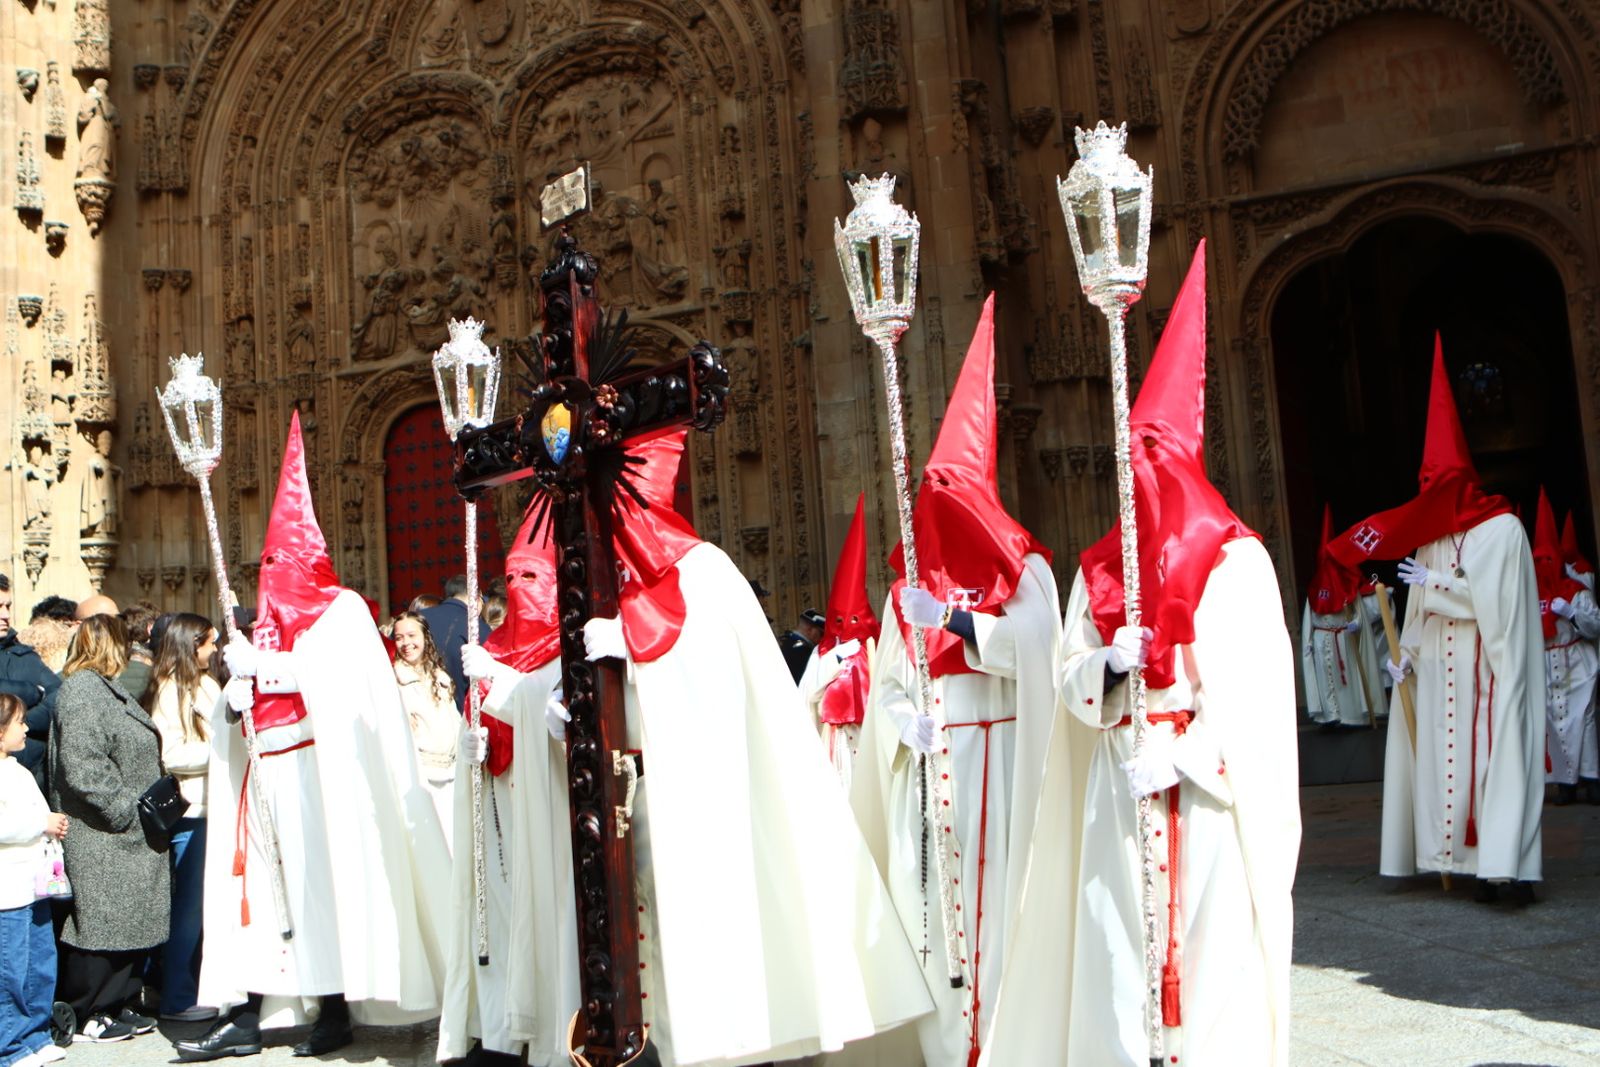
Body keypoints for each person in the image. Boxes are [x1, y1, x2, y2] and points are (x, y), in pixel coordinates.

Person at [980, 241, 1300, 1067]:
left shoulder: (1237, 562)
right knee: (1118, 954)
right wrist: (1110, 668)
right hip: (1118, 785)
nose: (1143, 473)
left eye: (1157, 453)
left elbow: (1257, 704)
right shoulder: (1101, 569)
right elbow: (1069, 676)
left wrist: (1186, 754)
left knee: (1208, 955)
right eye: (1133, 456)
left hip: (1201, 789)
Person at [576, 430, 930, 1065]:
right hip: (637, 795)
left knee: (718, 945)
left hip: (710, 794)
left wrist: (636, 648)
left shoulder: (703, 570)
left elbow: (715, 674)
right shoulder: (602, 578)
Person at [177, 413, 450, 1062]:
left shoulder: (342, 610)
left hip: (323, 776)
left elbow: (341, 680)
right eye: (267, 564)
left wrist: (268, 667)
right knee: (260, 896)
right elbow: (251, 700)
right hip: (266, 774)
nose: (273, 574)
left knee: (325, 894)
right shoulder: (264, 624)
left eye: (283, 562)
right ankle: (252, 1013)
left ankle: (333, 1008)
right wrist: (234, 699)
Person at [854, 295, 1060, 1067]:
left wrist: (957, 620)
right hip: (934, 769)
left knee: (1001, 905)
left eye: (952, 486)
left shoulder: (1025, 571)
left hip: (1000, 763)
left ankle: (1003, 1040)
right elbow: (888, 681)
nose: (940, 501)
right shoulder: (907, 585)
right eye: (930, 487)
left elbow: (1037, 648)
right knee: (937, 919)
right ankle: (948, 1045)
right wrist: (901, 720)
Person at [1328, 335, 1544, 903]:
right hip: (1442, 680)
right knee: (1445, 773)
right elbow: (1418, 614)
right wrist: (1406, 659)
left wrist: (1440, 585)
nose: (1428, 492)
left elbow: (1500, 611)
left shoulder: (1502, 531)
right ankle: (1461, 864)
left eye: (1436, 482)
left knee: (1491, 767)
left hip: (1489, 679)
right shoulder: (1429, 542)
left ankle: (1505, 869)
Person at [441, 510, 574, 1066]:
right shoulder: (493, 644)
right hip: (496, 806)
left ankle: (548, 1034)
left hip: (546, 812)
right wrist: (469, 746)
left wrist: (497, 681)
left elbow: (557, 716)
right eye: (513, 576)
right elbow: (475, 717)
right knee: (495, 916)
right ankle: (498, 1031)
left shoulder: (569, 646)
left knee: (541, 918)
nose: (521, 587)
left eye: (533, 576)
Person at [49, 614, 169, 1044]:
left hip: (123, 835)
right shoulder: (83, 690)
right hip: (101, 833)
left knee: (125, 922)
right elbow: (83, 766)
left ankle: (116, 1004)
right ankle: (89, 1012)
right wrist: (124, 811)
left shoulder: (103, 687)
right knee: (100, 926)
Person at [144, 613, 222, 1021]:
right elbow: (171, 754)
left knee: (210, 908)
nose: (215, 649)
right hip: (194, 810)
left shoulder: (207, 684)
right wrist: (222, 752)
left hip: (219, 804)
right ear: (193, 645)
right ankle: (178, 998)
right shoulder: (169, 691)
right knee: (189, 911)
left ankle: (208, 988)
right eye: (210, 642)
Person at [0, 692, 71, 1067]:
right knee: (10, 970)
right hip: (8, 889)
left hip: (35, 882)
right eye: (19, 722)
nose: (27, 728)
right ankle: (9, 1046)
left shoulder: (17, 769)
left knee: (40, 962)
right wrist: (41, 824)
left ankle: (36, 1035)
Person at [797, 493, 878, 789]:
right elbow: (806, 698)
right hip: (835, 743)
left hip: (871, 740)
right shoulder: (824, 652)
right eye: (840, 621)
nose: (846, 628)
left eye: (854, 620)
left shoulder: (875, 648)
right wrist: (833, 660)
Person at [1531, 491, 1600, 805]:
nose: (1543, 565)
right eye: (1538, 560)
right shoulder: (1528, 594)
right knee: (1553, 724)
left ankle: (1591, 779)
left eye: (1548, 559)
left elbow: (1595, 625)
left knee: (1583, 719)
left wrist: (1572, 613)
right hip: (1545, 664)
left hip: (1575, 662)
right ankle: (1565, 785)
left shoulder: (1575, 590)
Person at [1301, 504, 1386, 728]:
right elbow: (1309, 618)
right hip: (1322, 638)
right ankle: (1330, 715)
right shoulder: (1314, 589)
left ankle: (1351, 715)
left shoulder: (1348, 587)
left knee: (1346, 679)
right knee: (1325, 678)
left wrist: (1355, 624)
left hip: (1343, 638)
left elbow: (1359, 615)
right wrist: (1308, 642)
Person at [390, 611, 457, 830]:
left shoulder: (440, 677)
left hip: (452, 771)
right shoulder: (392, 681)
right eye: (399, 638)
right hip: (419, 775)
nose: (406, 643)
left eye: (411, 636)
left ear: (424, 637)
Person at [0, 576, 60, 795]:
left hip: (33, 779)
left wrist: (20, 721)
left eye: (8, 606)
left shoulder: (24, 655)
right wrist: (32, 692)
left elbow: (58, 696)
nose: (6, 615)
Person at [421, 576, 489, 713]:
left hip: (416, 712)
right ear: (477, 597)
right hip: (459, 714)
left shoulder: (416, 619)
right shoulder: (477, 627)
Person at [778, 609, 825, 684]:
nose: (822, 638)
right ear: (810, 630)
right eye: (821, 634)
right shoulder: (803, 650)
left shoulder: (788, 642)